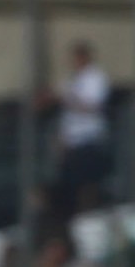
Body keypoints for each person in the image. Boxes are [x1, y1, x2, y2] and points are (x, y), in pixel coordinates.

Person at [49, 40, 112, 215]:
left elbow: (93, 107)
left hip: (88, 140)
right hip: (72, 142)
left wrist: (69, 99)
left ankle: (90, 214)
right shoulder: (73, 79)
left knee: (87, 185)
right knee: (70, 186)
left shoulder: (96, 78)